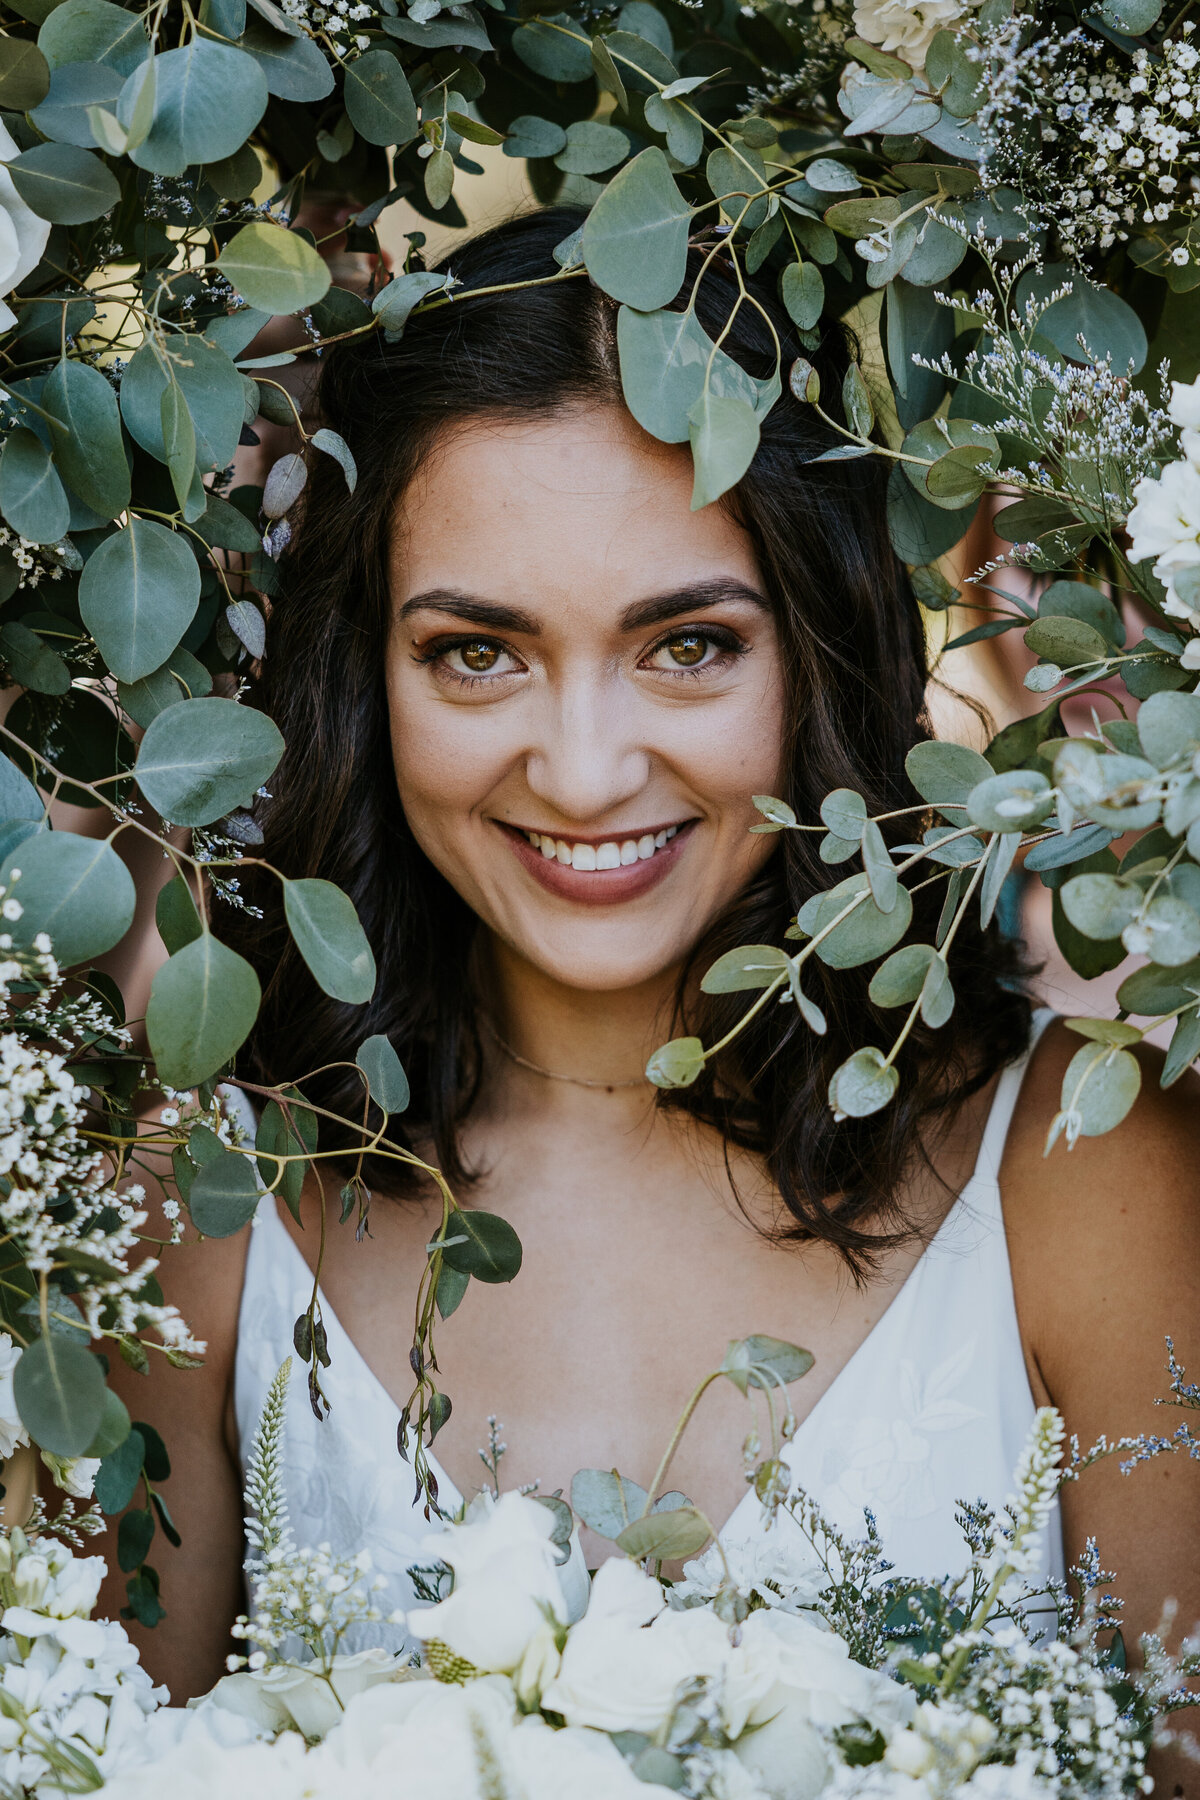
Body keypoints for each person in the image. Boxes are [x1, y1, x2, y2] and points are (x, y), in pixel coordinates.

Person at [100, 211, 1200, 1732]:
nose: (586, 767)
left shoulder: (1086, 1166)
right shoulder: (217, 1190)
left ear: (820, 646)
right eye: (476, 651)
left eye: (688, 645)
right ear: (368, 675)